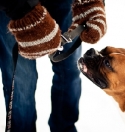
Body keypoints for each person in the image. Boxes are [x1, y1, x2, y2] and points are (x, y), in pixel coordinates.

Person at [0, 0, 106, 132]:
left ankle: (65, 128)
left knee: (70, 70)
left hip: (65, 3)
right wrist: (23, 11)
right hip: (13, 9)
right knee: (21, 83)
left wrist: (92, 2)